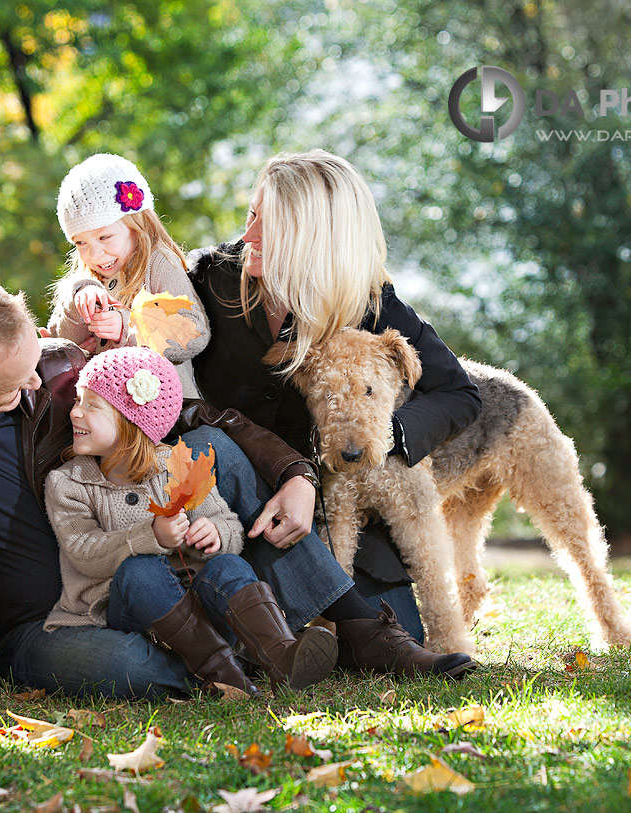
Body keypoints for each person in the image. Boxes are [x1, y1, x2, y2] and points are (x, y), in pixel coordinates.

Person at [0, 276, 340, 699]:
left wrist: (296, 472)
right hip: (22, 632)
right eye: (12, 385)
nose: (33, 385)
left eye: (33, 366)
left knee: (211, 445)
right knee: (130, 667)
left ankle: (318, 632)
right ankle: (237, 663)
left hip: (118, 584)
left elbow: (177, 412)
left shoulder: (59, 368)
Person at [188, 149, 484, 663]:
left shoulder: (372, 303)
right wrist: (294, 475)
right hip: (232, 494)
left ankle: (320, 620)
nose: (247, 233)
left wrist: (371, 434)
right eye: (252, 213)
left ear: (315, 239)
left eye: (268, 223)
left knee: (396, 635)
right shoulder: (207, 279)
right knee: (216, 447)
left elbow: (459, 394)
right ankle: (318, 619)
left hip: (338, 512)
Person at [44, 347, 336, 696]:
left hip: (201, 612)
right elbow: (83, 551)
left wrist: (216, 533)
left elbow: (228, 524)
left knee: (228, 564)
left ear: (130, 420)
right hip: (132, 615)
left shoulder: (177, 465)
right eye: (78, 400)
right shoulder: (68, 483)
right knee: (141, 572)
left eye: (92, 404)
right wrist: (149, 536)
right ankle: (224, 673)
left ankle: (281, 655)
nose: (75, 412)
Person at [49, 153, 209, 398]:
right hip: (104, 415)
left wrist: (127, 328)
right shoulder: (86, 279)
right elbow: (64, 340)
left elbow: (193, 333)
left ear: (137, 223)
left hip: (164, 410)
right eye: (80, 243)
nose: (94, 254)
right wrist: (79, 294)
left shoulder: (156, 262)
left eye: (104, 237)